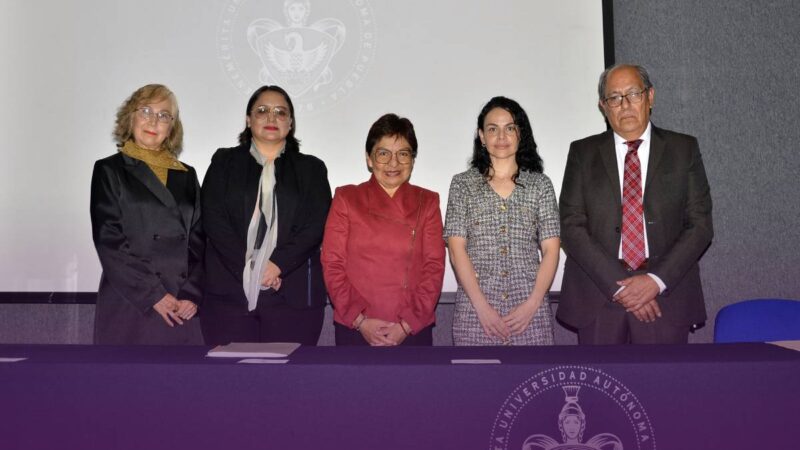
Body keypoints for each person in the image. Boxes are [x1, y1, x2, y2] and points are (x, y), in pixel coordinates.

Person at [558, 64, 713, 344]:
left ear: (650, 96)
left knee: (662, 387)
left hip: (666, 298)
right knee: (599, 387)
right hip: (599, 296)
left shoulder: (683, 149)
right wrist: (621, 288)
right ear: (603, 106)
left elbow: (700, 226)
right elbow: (571, 227)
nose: (625, 105)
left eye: (633, 94)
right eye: (614, 98)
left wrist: (654, 281)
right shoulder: (582, 153)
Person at [201, 85, 331, 346]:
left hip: (291, 296)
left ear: (291, 123)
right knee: (231, 382)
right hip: (229, 295)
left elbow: (315, 225)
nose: (271, 118)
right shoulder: (223, 162)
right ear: (248, 120)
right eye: (262, 111)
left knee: (290, 384)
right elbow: (213, 220)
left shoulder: (311, 169)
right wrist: (251, 266)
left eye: (280, 112)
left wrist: (276, 264)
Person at [90, 84, 203, 344]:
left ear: (172, 127)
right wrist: (153, 295)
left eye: (164, 115)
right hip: (133, 300)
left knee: (182, 384)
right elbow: (109, 241)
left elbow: (200, 242)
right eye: (146, 111)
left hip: (181, 306)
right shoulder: (110, 170)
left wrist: (192, 294)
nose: (154, 120)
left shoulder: (187, 174)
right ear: (130, 116)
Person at [444, 96, 560, 346]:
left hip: (530, 316)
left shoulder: (540, 185)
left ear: (521, 133)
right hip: (475, 316)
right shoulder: (463, 185)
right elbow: (456, 250)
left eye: (510, 128)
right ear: (482, 136)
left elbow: (551, 250)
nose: (501, 136)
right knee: (477, 385)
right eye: (492, 129)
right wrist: (483, 308)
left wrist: (532, 304)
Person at [321, 113, 445, 346]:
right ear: (369, 159)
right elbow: (332, 263)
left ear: (413, 160)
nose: (393, 163)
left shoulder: (427, 202)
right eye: (383, 153)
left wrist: (406, 324)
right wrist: (360, 321)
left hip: (412, 329)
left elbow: (434, 267)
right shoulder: (346, 198)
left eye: (403, 154)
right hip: (356, 328)